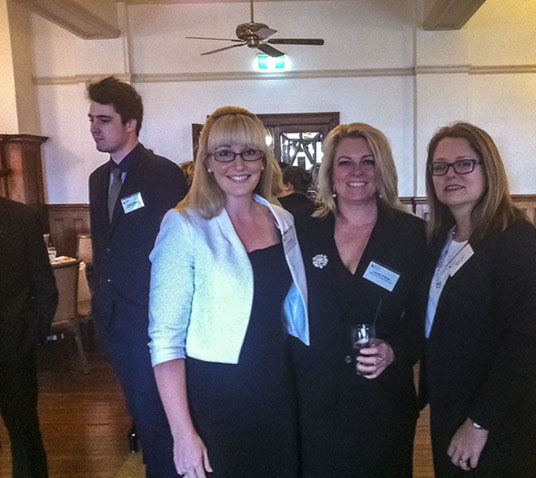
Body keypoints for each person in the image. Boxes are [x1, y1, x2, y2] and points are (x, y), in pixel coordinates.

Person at [148, 106, 309, 478]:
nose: (238, 163)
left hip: (277, 386)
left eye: (249, 152)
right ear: (207, 162)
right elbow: (165, 340)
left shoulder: (282, 219)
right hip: (215, 396)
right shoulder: (184, 224)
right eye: (224, 152)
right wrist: (182, 433)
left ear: (264, 160)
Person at [419, 122, 536, 477]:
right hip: (450, 404)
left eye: (464, 164)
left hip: (499, 415)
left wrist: (479, 422)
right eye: (440, 167)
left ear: (489, 168)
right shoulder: (441, 238)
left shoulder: (517, 240)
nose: (450, 174)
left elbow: (521, 342)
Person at [290, 122, 426, 477]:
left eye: (368, 161)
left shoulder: (412, 235)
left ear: (383, 170)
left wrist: (393, 350)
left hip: (381, 401)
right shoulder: (300, 228)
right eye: (345, 162)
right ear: (329, 172)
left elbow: (423, 320)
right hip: (312, 398)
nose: (357, 171)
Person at [87, 76, 188, 477]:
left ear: (130, 124)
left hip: (151, 316)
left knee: (156, 416)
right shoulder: (98, 179)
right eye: (92, 119)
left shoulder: (162, 174)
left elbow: (178, 247)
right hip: (113, 318)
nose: (94, 127)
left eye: (104, 120)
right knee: (139, 413)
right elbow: (104, 245)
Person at [0, 197, 58, 478]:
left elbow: (45, 284)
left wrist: (34, 333)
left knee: (24, 434)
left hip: (14, 344)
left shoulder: (22, 218)